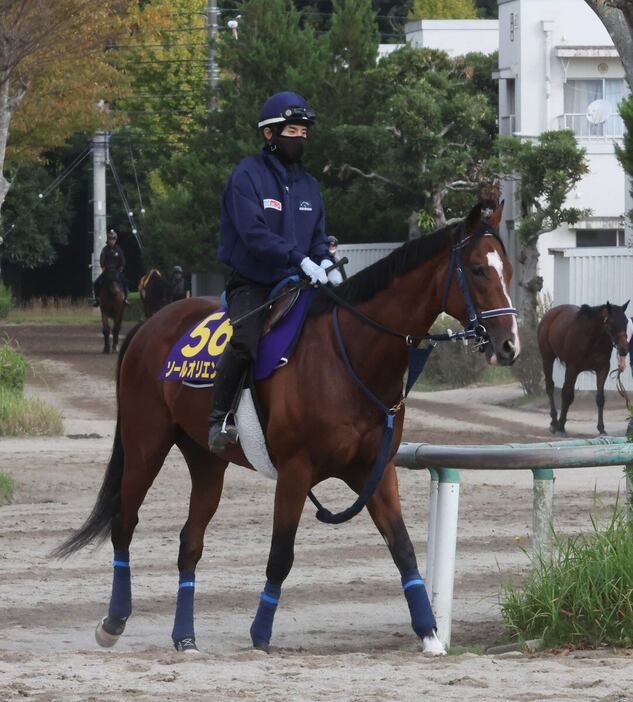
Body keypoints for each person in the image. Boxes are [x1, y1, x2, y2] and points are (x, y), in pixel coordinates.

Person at [208, 91, 343, 453]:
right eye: (293, 131)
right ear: (270, 134)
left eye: (304, 132)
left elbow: (317, 239)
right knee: (245, 341)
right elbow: (253, 234)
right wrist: (299, 258)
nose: (301, 139)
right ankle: (221, 416)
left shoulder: (311, 187)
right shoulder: (245, 177)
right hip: (252, 280)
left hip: (298, 282)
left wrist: (326, 264)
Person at [93, 230, 128, 306]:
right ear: (108, 240)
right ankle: (97, 299)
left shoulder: (119, 249)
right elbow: (102, 259)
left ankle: (125, 299)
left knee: (125, 282)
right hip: (107, 271)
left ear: (116, 240)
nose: (112, 240)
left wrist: (121, 268)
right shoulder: (104, 250)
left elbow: (123, 260)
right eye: (110, 239)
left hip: (117, 272)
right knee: (96, 283)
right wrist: (103, 267)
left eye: (114, 239)